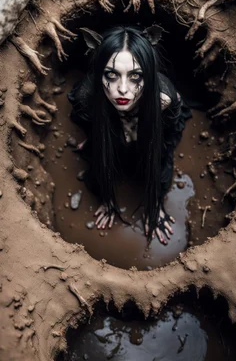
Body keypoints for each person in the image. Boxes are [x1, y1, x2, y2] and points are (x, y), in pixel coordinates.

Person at [67, 25, 191, 245]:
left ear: (149, 74)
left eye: (135, 76)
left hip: (155, 131)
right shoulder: (85, 97)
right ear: (99, 72)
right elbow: (84, 122)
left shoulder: (164, 99)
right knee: (98, 157)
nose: (123, 89)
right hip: (109, 127)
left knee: (159, 159)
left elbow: (168, 138)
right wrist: (95, 138)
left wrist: (155, 204)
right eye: (111, 75)